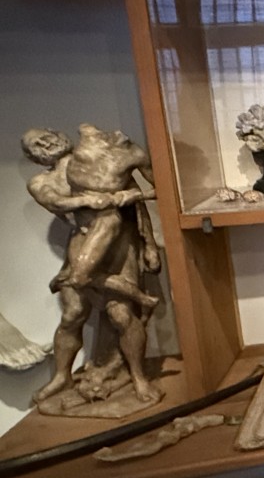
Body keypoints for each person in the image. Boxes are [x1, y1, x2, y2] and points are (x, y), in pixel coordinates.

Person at [22, 124, 162, 406]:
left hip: (119, 242)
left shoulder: (102, 158)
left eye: (48, 136)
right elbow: (57, 202)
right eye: (37, 145)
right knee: (72, 313)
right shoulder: (41, 182)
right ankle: (62, 375)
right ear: (34, 157)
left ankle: (138, 376)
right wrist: (90, 200)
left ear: (59, 134)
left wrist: (148, 243)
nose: (47, 144)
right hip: (83, 240)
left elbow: (138, 202)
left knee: (121, 315)